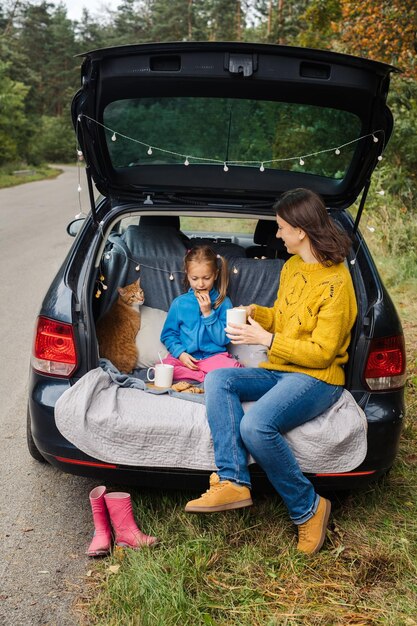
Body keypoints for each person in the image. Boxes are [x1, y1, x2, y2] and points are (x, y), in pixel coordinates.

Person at [185, 188, 358, 555]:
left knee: (256, 425)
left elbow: (322, 353)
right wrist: (255, 313)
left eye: (280, 227)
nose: (277, 235)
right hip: (280, 368)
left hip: (318, 378)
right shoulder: (293, 266)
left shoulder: (338, 284)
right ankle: (233, 480)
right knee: (219, 378)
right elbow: (283, 316)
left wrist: (266, 338)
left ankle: (309, 508)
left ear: (300, 229)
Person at [160, 245, 242, 382]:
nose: (200, 284)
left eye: (206, 278)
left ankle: (201, 376)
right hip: (187, 359)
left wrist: (208, 313)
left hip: (214, 358)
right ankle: (204, 377)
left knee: (234, 369)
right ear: (187, 274)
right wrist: (180, 354)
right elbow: (168, 335)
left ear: (215, 275)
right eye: (195, 278)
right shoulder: (180, 303)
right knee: (164, 367)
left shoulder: (224, 303)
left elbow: (223, 339)